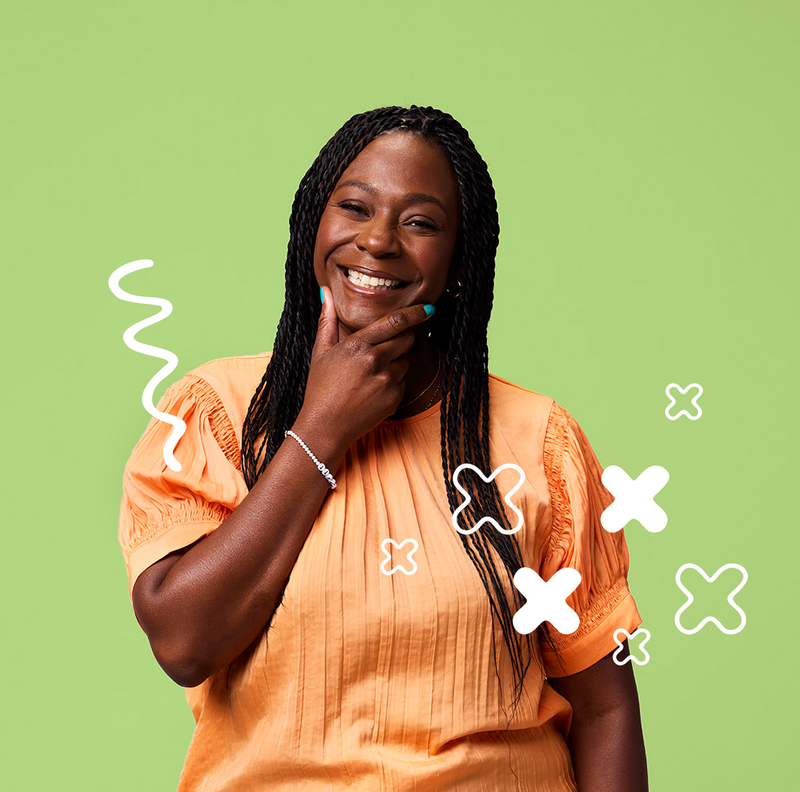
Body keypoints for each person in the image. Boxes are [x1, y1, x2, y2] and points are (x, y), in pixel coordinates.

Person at [118, 105, 648, 791]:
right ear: (314, 224)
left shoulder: (538, 441)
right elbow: (184, 642)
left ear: (459, 261)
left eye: (420, 222)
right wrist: (322, 429)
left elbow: (605, 709)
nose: (378, 241)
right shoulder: (216, 413)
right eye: (355, 208)